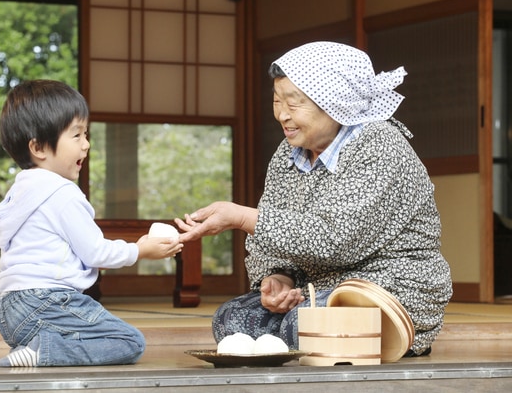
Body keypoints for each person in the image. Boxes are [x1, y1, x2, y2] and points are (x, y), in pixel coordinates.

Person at [175, 41, 452, 357]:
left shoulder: (380, 147)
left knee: (303, 325)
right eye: (277, 101)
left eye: (294, 104)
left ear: (335, 102)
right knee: (232, 320)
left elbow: (337, 239)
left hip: (386, 286)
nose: (282, 115)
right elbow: (267, 241)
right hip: (312, 288)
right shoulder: (287, 153)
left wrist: (242, 217)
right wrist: (277, 277)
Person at [0, 79, 183, 367]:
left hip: (10, 312)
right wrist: (141, 250)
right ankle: (45, 351)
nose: (87, 144)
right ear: (39, 147)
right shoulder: (61, 192)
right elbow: (95, 252)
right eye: (77, 135)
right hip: (47, 302)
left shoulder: (20, 192)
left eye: (86, 134)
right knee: (129, 342)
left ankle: (36, 349)